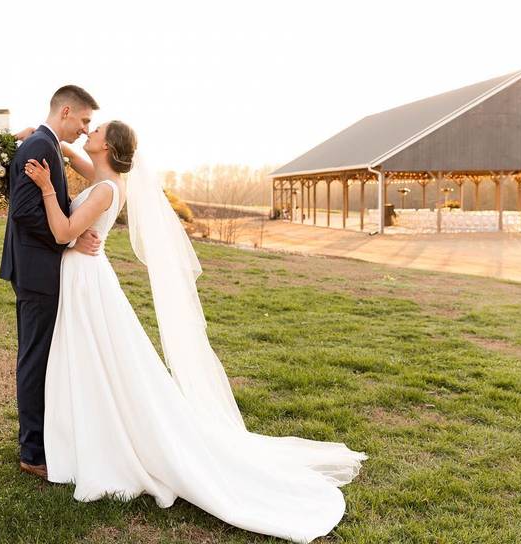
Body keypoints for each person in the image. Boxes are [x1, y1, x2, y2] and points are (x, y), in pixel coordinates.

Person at [21, 120, 367, 543]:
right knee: (95, 359)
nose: (87, 134)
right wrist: (47, 139)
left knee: (101, 359)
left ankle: (110, 443)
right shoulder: (107, 179)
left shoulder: (107, 189)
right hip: (86, 277)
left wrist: (45, 188)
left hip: (86, 280)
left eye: (96, 132)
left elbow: (61, 231)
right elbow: (80, 163)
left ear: (108, 146)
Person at [0, 85, 100, 479]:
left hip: (39, 267)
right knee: (35, 359)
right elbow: (24, 211)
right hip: (37, 270)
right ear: (67, 111)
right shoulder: (40, 146)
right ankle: (33, 452)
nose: (85, 129)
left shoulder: (45, 144)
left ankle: (44, 440)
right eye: (85, 121)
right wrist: (71, 236)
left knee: (41, 355)